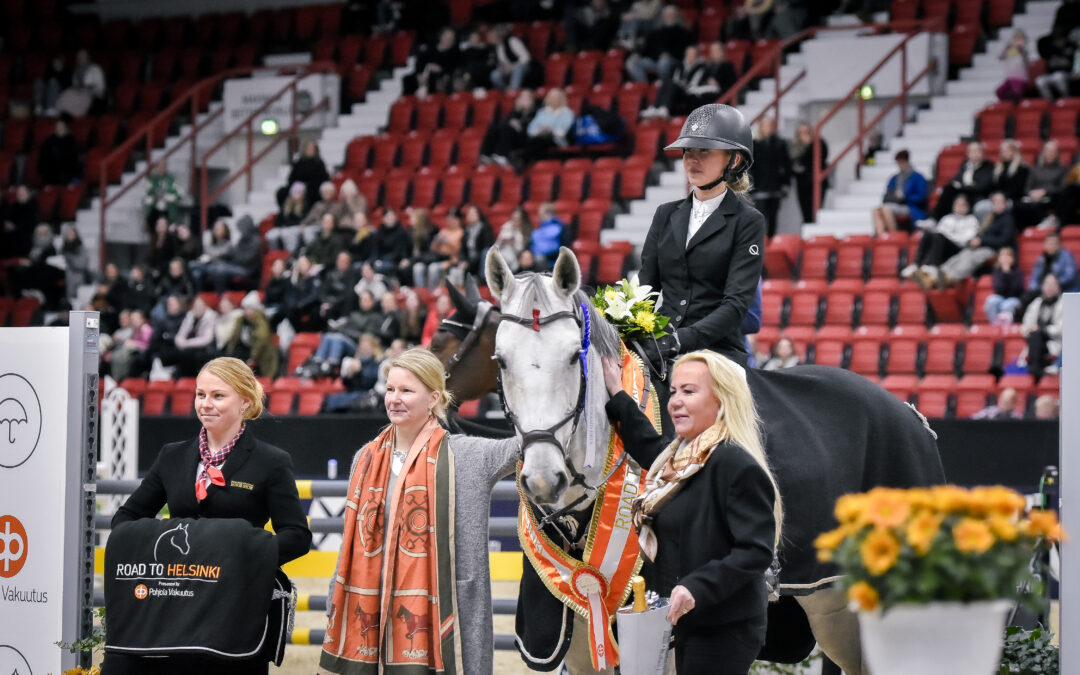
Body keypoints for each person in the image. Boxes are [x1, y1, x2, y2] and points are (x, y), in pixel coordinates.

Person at [106, 357, 311, 675]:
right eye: (201, 395)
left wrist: (240, 559)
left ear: (244, 401)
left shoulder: (271, 462)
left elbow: (297, 536)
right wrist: (169, 539)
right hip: (173, 610)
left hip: (236, 614)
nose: (206, 404)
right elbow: (126, 519)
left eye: (218, 396)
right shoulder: (172, 456)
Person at [320, 348, 519, 674]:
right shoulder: (365, 458)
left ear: (433, 398)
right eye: (390, 389)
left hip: (448, 617)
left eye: (407, 390)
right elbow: (350, 545)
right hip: (373, 611)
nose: (394, 399)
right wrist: (334, 597)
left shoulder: (468, 455)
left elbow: (524, 446)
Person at [600, 350, 781, 675]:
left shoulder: (737, 465)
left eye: (689, 391)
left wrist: (697, 586)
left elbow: (755, 552)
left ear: (722, 400)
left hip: (725, 627)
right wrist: (617, 392)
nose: (675, 402)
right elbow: (648, 445)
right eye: (674, 391)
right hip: (692, 621)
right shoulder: (682, 457)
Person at [639, 104, 764, 437]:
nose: (692, 160)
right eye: (687, 152)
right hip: (658, 348)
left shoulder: (747, 222)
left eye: (704, 152)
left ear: (733, 160)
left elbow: (736, 305)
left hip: (717, 350)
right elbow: (647, 289)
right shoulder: (665, 215)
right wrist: (635, 333)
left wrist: (680, 340)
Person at [932, 192, 1017, 290]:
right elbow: (982, 234)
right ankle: (937, 276)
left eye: (999, 202)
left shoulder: (1008, 220)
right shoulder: (990, 218)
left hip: (996, 250)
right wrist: (975, 240)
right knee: (963, 254)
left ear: (1005, 204)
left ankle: (951, 279)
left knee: (972, 258)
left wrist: (981, 241)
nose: (996, 204)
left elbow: (1003, 240)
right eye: (994, 202)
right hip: (982, 247)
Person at [904, 194, 979, 287]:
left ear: (968, 206)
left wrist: (947, 236)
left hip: (958, 249)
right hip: (943, 246)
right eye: (957, 204)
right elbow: (938, 233)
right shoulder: (947, 218)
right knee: (928, 235)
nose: (959, 207)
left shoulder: (971, 220)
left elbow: (965, 239)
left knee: (939, 237)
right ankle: (916, 264)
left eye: (962, 204)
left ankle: (934, 266)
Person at [626, 5, 694, 83]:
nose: (669, 17)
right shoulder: (656, 32)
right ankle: (644, 87)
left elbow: (685, 51)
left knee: (664, 62)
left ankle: (664, 86)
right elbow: (647, 48)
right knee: (631, 62)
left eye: (672, 14)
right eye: (667, 15)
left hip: (674, 61)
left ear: (677, 16)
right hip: (655, 60)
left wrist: (668, 55)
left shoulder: (684, 33)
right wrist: (638, 55)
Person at [931, 141, 994, 221]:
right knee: (948, 189)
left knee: (956, 194)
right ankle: (936, 220)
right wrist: (957, 185)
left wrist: (962, 186)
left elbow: (982, 186)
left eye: (978, 151)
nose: (976, 154)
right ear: (968, 154)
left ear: (982, 153)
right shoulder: (965, 165)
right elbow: (957, 178)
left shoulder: (989, 166)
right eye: (973, 151)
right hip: (964, 191)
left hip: (977, 194)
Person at [750, 117, 791, 237]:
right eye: (765, 125)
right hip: (760, 188)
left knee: (773, 217)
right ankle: (761, 242)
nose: (768, 128)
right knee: (761, 217)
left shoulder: (780, 144)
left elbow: (786, 164)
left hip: (776, 187)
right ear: (761, 127)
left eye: (770, 125)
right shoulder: (754, 145)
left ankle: (771, 242)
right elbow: (750, 167)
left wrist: (785, 184)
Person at [1014, 139, 1069, 229]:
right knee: (1017, 206)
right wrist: (1032, 193)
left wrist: (1045, 191)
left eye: (1052, 151)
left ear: (1057, 153)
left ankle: (1047, 221)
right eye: (1047, 151)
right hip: (1033, 199)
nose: (1050, 153)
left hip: (1052, 198)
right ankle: (1023, 235)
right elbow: (1027, 188)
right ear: (1043, 152)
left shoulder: (1063, 170)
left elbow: (1063, 188)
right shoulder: (1035, 169)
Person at [872, 150, 929, 234]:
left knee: (886, 209)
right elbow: (888, 193)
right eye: (898, 163)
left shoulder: (918, 177)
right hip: (894, 204)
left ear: (907, 161)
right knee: (876, 211)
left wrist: (905, 196)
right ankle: (882, 239)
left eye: (902, 162)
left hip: (910, 206)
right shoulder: (894, 178)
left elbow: (921, 197)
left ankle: (893, 237)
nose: (900, 165)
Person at [972, 140, 1029, 223]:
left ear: (1014, 151)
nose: (1004, 153)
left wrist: (1001, 198)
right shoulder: (998, 169)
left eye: (1007, 150)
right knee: (979, 207)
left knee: (985, 208)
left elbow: (1018, 189)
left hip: (1011, 200)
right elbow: (993, 187)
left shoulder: (1022, 169)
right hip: (996, 199)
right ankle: (985, 229)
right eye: (1002, 151)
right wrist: (993, 196)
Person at [1021, 272, 1064, 379]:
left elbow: (1062, 329)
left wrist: (1043, 330)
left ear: (1058, 287)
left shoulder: (1063, 303)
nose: (1050, 287)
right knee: (1035, 336)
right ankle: (1035, 372)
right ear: (1042, 286)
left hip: (1055, 342)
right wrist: (1032, 329)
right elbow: (1025, 326)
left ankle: (1035, 372)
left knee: (1037, 335)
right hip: (1035, 342)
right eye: (1047, 284)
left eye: (1053, 284)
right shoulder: (1037, 302)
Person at [789, 122, 828, 224]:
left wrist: (809, 145)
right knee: (805, 210)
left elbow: (821, 159)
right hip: (802, 183)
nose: (803, 134)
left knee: (816, 209)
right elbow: (791, 162)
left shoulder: (819, 143)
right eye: (800, 132)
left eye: (806, 132)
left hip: (817, 182)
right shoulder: (795, 145)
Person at [525, 88, 576, 160]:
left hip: (557, 141)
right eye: (551, 97)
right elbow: (530, 130)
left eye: (556, 98)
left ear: (561, 99)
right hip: (539, 138)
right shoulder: (542, 112)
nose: (554, 100)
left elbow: (563, 132)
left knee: (541, 141)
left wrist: (551, 130)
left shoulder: (567, 113)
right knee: (536, 140)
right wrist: (541, 130)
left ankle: (526, 160)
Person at [983, 246, 1025, 325]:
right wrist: (1004, 274)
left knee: (1006, 305)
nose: (1005, 258)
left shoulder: (1018, 271)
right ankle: (995, 326)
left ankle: (1005, 330)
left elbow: (1016, 289)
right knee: (991, 301)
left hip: (1014, 299)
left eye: (1008, 255)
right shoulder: (997, 272)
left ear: (1013, 258)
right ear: (999, 259)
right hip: (1000, 298)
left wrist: (1008, 273)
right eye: (1003, 255)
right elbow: (998, 289)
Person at [38, 117, 81, 186]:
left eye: (62, 127)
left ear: (66, 128)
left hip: (67, 174)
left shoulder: (72, 141)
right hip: (51, 174)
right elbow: (43, 158)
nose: (60, 129)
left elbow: (74, 160)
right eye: (58, 127)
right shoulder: (49, 141)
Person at [489, 24, 533, 91]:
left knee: (517, 68)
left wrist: (512, 66)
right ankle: (504, 91)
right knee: (494, 74)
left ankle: (513, 91)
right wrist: (503, 67)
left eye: (492, 36)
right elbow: (500, 62)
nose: (490, 38)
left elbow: (526, 57)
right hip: (508, 68)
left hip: (523, 66)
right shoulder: (496, 47)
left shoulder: (512, 41)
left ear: (498, 36)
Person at [144, 160, 182, 227]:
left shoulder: (171, 179)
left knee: (170, 227)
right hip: (155, 209)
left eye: (163, 166)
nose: (161, 169)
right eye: (159, 167)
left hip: (168, 209)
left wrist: (165, 196)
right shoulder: (152, 180)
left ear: (166, 167)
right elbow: (147, 196)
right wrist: (154, 197)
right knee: (152, 223)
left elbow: (180, 195)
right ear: (157, 168)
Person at [996, 30, 1030, 102]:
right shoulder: (1010, 50)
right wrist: (1007, 48)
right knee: (999, 92)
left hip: (1020, 78)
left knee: (1016, 93)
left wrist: (1019, 47)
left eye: (1020, 38)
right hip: (1010, 77)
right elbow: (1000, 57)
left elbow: (1025, 59)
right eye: (1016, 38)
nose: (1017, 40)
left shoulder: (1023, 50)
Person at [530, 202, 565, 267]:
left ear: (549, 214)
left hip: (550, 259)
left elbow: (562, 247)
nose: (539, 215)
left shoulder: (559, 227)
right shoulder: (539, 228)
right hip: (534, 257)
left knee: (538, 260)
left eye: (541, 213)